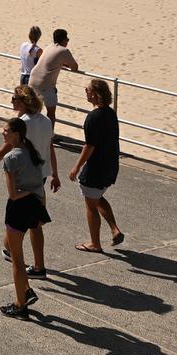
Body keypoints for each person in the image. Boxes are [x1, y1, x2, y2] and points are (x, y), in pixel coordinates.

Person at [0, 85, 59, 277]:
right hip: (41, 176)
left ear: (24, 102)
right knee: (35, 223)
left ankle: (16, 255)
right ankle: (36, 264)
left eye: (14, 99)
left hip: (22, 177)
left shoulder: (21, 124)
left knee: (17, 220)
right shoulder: (46, 121)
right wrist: (55, 174)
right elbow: (49, 148)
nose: (11, 101)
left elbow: (4, 151)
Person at [0, 117, 49, 320]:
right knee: (18, 258)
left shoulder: (11, 158)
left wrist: (25, 193)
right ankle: (26, 292)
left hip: (19, 207)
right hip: (36, 204)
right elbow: (39, 184)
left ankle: (20, 304)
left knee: (17, 260)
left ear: (16, 134)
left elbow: (13, 194)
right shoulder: (32, 151)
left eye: (6, 131)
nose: (3, 133)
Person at [69, 79, 124, 253]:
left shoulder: (93, 117)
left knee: (90, 205)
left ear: (94, 94)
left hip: (97, 167)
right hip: (111, 165)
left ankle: (95, 243)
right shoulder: (110, 113)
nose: (85, 91)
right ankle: (115, 229)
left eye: (87, 89)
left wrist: (76, 167)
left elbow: (89, 146)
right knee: (97, 196)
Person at [29, 28, 79, 125]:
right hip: (45, 84)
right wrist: (64, 63)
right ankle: (49, 136)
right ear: (63, 40)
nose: (68, 41)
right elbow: (75, 67)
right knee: (51, 114)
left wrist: (61, 63)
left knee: (34, 111)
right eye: (67, 39)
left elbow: (51, 61)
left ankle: (33, 132)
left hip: (32, 80)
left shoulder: (49, 47)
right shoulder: (64, 50)